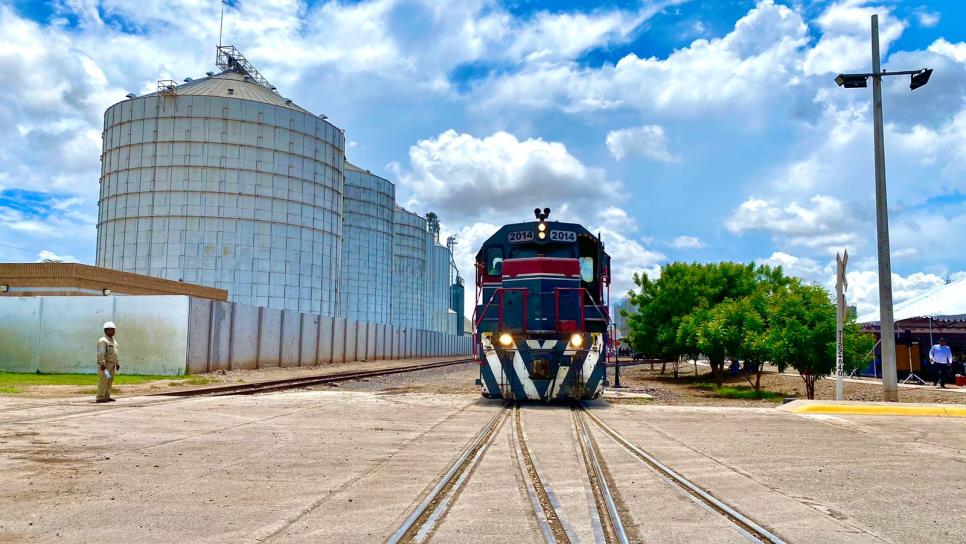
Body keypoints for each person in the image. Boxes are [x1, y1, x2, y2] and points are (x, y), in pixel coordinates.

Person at [96, 321, 120, 403]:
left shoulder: (114, 341)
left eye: (114, 329)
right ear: (106, 331)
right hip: (106, 366)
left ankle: (107, 396)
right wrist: (102, 363)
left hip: (112, 365)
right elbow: (100, 352)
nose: (114, 331)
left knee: (109, 380)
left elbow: (115, 353)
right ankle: (100, 397)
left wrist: (117, 362)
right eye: (112, 329)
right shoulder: (103, 341)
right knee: (104, 380)